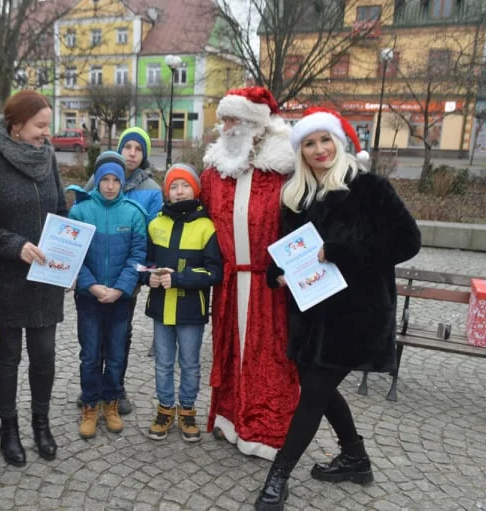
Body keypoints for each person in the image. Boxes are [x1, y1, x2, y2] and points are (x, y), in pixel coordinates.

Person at [254, 107, 421, 511]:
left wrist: (343, 253)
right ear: (301, 152)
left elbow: (408, 242)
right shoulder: (296, 199)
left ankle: (278, 477)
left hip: (356, 316)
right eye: (309, 143)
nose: (319, 149)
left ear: (338, 142)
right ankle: (355, 458)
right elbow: (286, 253)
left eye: (325, 140)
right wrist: (275, 273)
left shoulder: (369, 189)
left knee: (313, 393)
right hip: (310, 315)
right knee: (321, 391)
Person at [0, 90, 67, 467]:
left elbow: (59, 208)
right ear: (16, 125)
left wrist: (69, 253)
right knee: (8, 357)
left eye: (47, 125)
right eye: (41, 125)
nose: (47, 132)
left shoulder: (48, 157)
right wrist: (14, 245)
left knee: (44, 356)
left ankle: (40, 424)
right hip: (6, 278)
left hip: (45, 278)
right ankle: (9, 429)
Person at [201, 86, 300, 461]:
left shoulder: (283, 167)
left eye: (233, 120)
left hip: (268, 285)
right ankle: (230, 420)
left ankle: (267, 431)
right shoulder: (217, 170)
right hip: (230, 281)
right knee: (230, 355)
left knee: (269, 360)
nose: (225, 127)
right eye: (224, 119)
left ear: (253, 124)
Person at [78, 127, 162, 415]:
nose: (132, 153)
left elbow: (146, 243)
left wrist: (131, 281)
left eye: (139, 149)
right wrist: (88, 283)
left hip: (127, 279)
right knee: (91, 347)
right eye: (128, 147)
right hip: (92, 285)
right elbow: (77, 244)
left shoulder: (148, 193)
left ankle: (115, 391)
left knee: (118, 341)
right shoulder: (89, 195)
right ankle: (91, 393)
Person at [66, 152, 147, 439]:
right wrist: (92, 286)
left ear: (123, 183)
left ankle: (110, 403)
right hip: (89, 298)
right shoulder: (81, 212)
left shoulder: (134, 214)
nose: (110, 186)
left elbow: (138, 255)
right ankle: (90, 404)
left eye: (116, 180)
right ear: (97, 181)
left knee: (115, 354)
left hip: (120, 300)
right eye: (105, 180)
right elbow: (75, 256)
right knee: (89, 354)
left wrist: (120, 289)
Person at [143, 163, 222, 443]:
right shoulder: (155, 223)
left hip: (191, 310)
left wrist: (179, 278)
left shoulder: (206, 226)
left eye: (184, 185)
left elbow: (214, 271)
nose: (179, 191)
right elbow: (147, 262)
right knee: (163, 362)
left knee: (189, 363)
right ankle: (165, 409)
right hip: (161, 308)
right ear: (167, 192)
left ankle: (187, 410)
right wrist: (148, 278)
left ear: (196, 190)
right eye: (173, 186)